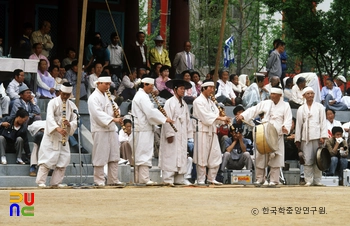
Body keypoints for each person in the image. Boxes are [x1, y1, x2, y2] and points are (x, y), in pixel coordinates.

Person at [237, 87, 292, 186]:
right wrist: (243, 115)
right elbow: (254, 109)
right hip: (264, 132)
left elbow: (288, 119)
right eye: (271, 94)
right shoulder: (266, 103)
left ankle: (274, 180)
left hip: (277, 133)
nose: (272, 96)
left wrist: (285, 127)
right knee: (261, 156)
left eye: (274, 94)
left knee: (276, 157)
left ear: (280, 95)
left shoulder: (286, 105)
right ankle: (260, 179)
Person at [131, 77, 174, 185]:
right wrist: (164, 119)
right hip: (143, 129)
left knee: (142, 153)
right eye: (151, 86)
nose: (153, 88)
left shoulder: (142, 96)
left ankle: (141, 178)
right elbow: (150, 112)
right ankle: (143, 178)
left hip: (144, 128)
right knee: (143, 153)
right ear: (145, 85)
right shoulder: (142, 96)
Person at [36, 83, 78, 187]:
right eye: (64, 94)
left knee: (63, 160)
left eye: (68, 95)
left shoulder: (72, 105)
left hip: (64, 136)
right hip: (52, 136)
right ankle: (41, 182)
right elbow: (49, 117)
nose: (65, 97)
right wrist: (57, 128)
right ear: (60, 92)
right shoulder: (52, 102)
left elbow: (75, 120)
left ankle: (56, 182)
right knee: (47, 159)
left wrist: (70, 124)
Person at [88, 76, 125, 186]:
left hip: (111, 129)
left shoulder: (109, 97)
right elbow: (97, 113)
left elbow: (115, 108)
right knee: (100, 155)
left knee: (114, 155)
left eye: (109, 84)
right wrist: (113, 119)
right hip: (100, 129)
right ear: (98, 83)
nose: (108, 87)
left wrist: (116, 113)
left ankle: (113, 179)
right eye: (106, 84)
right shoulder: (93, 98)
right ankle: (99, 180)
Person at [192, 80, 231, 185]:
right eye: (210, 88)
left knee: (215, 154)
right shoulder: (198, 101)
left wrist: (223, 119)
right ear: (204, 88)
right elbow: (205, 116)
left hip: (212, 131)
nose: (212, 90)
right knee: (202, 156)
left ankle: (211, 178)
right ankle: (200, 179)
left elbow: (216, 118)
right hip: (202, 131)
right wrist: (219, 117)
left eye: (213, 88)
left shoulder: (212, 102)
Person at [159, 79, 193, 186]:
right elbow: (167, 118)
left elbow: (188, 121)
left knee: (181, 154)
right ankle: (168, 178)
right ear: (175, 89)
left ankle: (179, 177)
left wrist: (189, 136)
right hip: (173, 132)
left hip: (182, 133)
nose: (183, 91)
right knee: (170, 154)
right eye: (181, 89)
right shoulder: (169, 102)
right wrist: (169, 134)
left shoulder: (184, 104)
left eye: (184, 89)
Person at [294, 87, 328, 186]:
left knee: (318, 159)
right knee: (307, 159)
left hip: (317, 137)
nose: (310, 95)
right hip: (306, 137)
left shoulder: (319, 107)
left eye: (312, 93)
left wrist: (323, 136)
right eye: (308, 94)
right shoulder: (301, 108)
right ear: (304, 96)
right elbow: (299, 125)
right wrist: (298, 138)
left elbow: (323, 122)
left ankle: (317, 180)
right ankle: (308, 180)